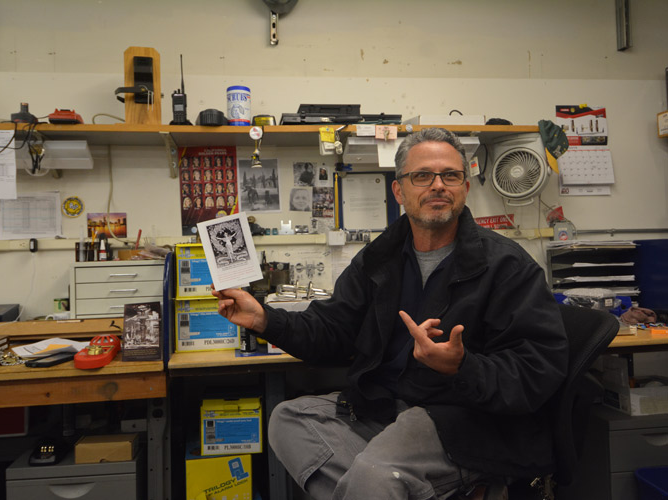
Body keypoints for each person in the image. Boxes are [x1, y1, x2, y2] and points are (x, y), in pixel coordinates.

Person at [212, 127, 568, 500]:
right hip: (385, 406)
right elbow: (332, 330)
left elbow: (538, 370)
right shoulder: (380, 258)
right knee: (289, 420)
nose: (438, 185)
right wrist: (264, 319)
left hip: (463, 417)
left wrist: (462, 367)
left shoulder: (507, 266)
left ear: (464, 187)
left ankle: (384, 483)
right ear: (399, 190)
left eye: (450, 175)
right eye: (422, 176)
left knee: (374, 472)